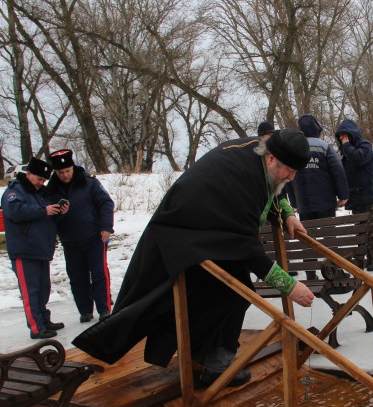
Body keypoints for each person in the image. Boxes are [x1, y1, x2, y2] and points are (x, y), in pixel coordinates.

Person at [73, 129, 316, 387]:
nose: (292, 176)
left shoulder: (259, 154)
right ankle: (214, 364)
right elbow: (248, 248)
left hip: (209, 232)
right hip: (182, 235)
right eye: (289, 169)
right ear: (270, 159)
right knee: (210, 294)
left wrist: (287, 213)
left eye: (295, 171)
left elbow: (274, 188)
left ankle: (208, 360)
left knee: (226, 294)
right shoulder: (242, 179)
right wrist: (289, 287)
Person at [1, 156, 68, 339]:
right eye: (39, 179)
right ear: (29, 174)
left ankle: (44, 320)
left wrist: (58, 212)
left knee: (43, 288)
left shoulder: (40, 193)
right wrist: (44, 210)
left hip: (40, 249)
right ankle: (36, 328)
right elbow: (14, 211)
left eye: (43, 180)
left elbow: (46, 218)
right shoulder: (15, 191)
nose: (41, 183)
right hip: (24, 250)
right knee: (31, 292)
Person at [47, 149, 115, 324]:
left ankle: (104, 308)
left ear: (72, 167)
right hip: (70, 241)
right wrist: (60, 214)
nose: (65, 175)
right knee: (77, 277)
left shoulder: (89, 182)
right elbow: (49, 216)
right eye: (61, 172)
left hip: (94, 237)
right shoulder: (52, 189)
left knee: (99, 273)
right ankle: (85, 310)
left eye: (67, 171)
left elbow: (106, 203)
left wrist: (106, 227)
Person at [286, 114, 349, 280]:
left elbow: (287, 177)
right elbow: (338, 172)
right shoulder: (324, 147)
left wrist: (294, 201)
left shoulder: (294, 149)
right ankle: (335, 270)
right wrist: (343, 195)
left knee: (307, 239)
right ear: (317, 129)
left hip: (304, 203)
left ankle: (310, 273)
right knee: (329, 237)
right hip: (326, 202)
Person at [336, 119, 373, 271]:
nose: (343, 139)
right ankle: (370, 257)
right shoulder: (346, 154)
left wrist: (346, 145)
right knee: (361, 229)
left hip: (365, 194)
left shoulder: (364, 146)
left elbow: (358, 159)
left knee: (369, 227)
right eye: (341, 136)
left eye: (345, 135)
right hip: (355, 197)